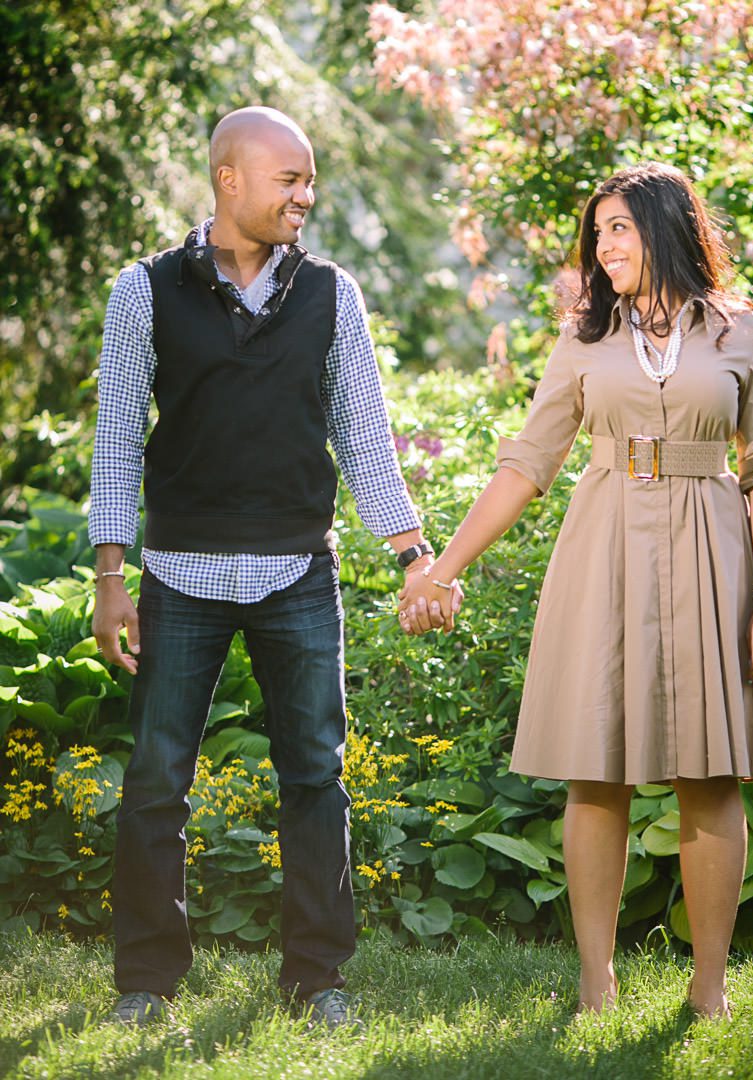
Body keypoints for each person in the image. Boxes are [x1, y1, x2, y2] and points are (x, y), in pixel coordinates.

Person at [399, 162, 753, 1019]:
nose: (602, 245)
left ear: (665, 230)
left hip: (713, 551)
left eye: (617, 228)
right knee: (595, 775)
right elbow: (527, 462)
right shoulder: (584, 340)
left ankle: (709, 990)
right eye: (598, 231)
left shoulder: (741, 333)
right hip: (604, 552)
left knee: (711, 776)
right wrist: (444, 567)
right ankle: (596, 983)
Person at [89, 106, 447, 1028]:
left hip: (297, 573)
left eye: (310, 179)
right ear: (229, 179)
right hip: (178, 575)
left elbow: (365, 435)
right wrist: (110, 575)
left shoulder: (332, 292)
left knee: (315, 778)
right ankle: (146, 981)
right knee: (157, 782)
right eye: (290, 179)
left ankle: (319, 978)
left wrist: (413, 553)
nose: (306, 196)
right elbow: (118, 434)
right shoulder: (145, 290)